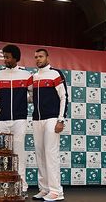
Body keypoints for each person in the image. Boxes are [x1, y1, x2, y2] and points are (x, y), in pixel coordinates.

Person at [0, 44, 32, 198]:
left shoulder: (27, 75)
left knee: (19, 152)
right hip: (2, 120)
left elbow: (32, 96)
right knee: (1, 152)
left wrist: (22, 100)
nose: (5, 59)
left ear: (15, 58)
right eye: (4, 57)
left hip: (20, 119)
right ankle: (1, 183)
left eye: (7, 57)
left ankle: (22, 185)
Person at [31, 49, 68, 201]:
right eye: (36, 57)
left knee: (51, 155)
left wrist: (61, 119)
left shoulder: (55, 73)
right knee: (40, 155)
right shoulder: (34, 76)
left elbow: (64, 97)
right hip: (37, 120)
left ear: (47, 57)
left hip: (52, 119)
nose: (38, 59)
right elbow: (31, 97)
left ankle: (56, 191)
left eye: (40, 56)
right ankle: (44, 189)